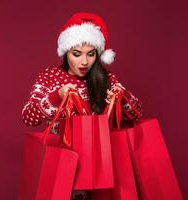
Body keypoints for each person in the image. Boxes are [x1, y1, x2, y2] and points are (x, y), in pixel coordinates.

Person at [21, 12, 143, 200]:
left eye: (91, 54)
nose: (84, 62)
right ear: (66, 52)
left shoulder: (107, 79)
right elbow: (28, 116)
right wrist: (57, 96)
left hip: (100, 163)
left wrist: (121, 97)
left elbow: (137, 113)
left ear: (98, 53)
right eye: (76, 54)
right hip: (62, 160)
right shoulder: (50, 76)